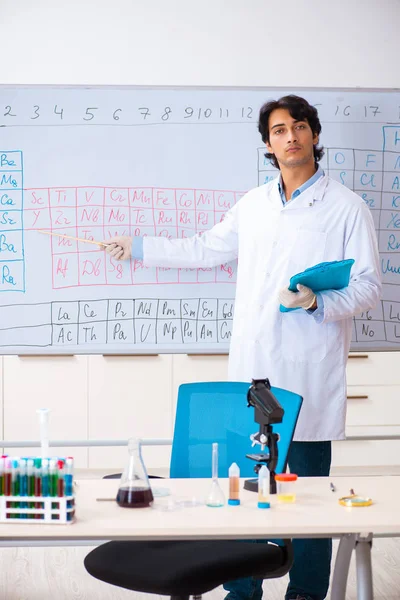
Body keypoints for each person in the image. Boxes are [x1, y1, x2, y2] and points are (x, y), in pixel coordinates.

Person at [103, 95, 381, 600]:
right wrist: (139, 247)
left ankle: (306, 593)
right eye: (278, 130)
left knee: (306, 504)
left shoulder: (346, 206)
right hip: (252, 373)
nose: (289, 136)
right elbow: (205, 248)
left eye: (298, 127)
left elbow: (368, 287)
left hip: (307, 379)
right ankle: (242, 591)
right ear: (268, 144)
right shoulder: (254, 203)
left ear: (315, 135)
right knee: (245, 497)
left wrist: (318, 300)